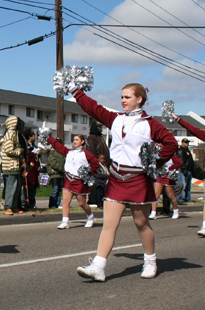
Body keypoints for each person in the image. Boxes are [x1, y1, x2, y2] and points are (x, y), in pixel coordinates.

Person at [71, 83, 177, 281]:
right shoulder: (116, 119)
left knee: (141, 223)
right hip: (116, 178)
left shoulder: (150, 124)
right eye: (122, 97)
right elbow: (92, 107)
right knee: (109, 225)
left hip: (138, 178)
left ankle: (150, 260)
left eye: (128, 97)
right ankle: (98, 266)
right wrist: (75, 91)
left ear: (140, 99)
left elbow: (171, 143)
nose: (123, 100)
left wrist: (156, 161)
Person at [48, 134, 99, 229]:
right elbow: (58, 146)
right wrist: (48, 137)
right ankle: (65, 222)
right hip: (68, 179)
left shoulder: (86, 153)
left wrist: (89, 172)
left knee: (82, 203)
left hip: (79, 181)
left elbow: (95, 162)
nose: (74, 141)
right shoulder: (69, 152)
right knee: (66, 202)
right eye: (74, 140)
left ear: (82, 141)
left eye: (77, 140)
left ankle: (91, 217)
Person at [1, 115, 25, 214]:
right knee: (11, 186)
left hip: (15, 165)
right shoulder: (10, 134)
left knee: (17, 186)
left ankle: (14, 205)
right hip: (10, 165)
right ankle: (8, 206)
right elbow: (9, 150)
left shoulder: (15, 134)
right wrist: (19, 151)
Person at [150, 151, 182, 220]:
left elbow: (179, 163)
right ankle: (153, 213)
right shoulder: (157, 155)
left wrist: (170, 168)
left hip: (168, 177)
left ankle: (176, 211)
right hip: (159, 176)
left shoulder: (172, 155)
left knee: (171, 196)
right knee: (155, 195)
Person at [85, 119, 109, 207]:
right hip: (96, 166)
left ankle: (100, 200)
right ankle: (93, 201)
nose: (101, 128)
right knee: (96, 184)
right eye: (99, 127)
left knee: (102, 185)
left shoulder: (100, 137)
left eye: (101, 127)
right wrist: (95, 163)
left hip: (103, 165)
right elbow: (91, 152)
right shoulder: (92, 138)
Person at [23, 130, 40, 209]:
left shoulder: (35, 146)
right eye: (33, 136)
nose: (35, 137)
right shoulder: (25, 146)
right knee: (27, 186)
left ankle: (32, 203)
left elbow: (37, 157)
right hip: (28, 168)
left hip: (34, 169)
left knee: (33, 186)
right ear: (29, 137)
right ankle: (25, 203)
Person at [46, 139, 65, 209]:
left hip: (61, 174)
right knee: (55, 189)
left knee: (59, 190)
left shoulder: (62, 152)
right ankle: (52, 204)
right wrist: (62, 169)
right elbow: (53, 163)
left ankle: (57, 204)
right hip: (54, 173)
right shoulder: (52, 152)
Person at [177, 138, 195, 203]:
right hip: (184, 170)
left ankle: (188, 198)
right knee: (183, 185)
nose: (187, 144)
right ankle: (181, 199)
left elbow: (191, 161)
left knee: (188, 186)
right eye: (186, 142)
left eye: (187, 142)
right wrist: (184, 169)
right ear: (182, 143)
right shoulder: (181, 150)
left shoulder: (188, 151)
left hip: (189, 170)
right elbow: (181, 161)